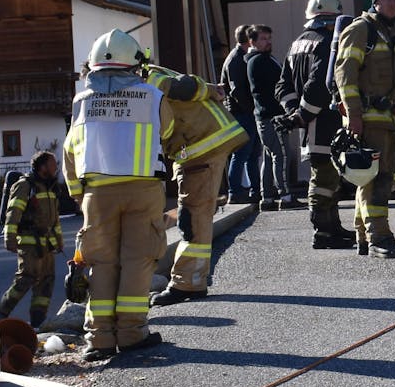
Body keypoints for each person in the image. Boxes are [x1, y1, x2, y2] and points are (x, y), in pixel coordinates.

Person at [63, 29, 175, 361]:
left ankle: (99, 339)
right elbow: (167, 131)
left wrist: (75, 192)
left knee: (100, 263)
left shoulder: (80, 101)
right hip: (143, 190)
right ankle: (131, 333)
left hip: (97, 194)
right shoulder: (152, 96)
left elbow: (71, 150)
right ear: (135, 64)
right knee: (138, 261)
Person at [147, 64, 250, 306]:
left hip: (201, 147)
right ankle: (191, 280)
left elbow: (185, 88)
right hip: (199, 145)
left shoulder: (149, 81)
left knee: (192, 218)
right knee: (193, 217)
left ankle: (188, 283)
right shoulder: (148, 77)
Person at [335, 0, 395, 258]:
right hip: (367, 120)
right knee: (376, 181)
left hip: (390, 120)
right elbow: (344, 76)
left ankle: (364, 236)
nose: (393, 3)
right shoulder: (360, 30)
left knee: (372, 179)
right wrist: (354, 115)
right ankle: (380, 237)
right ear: (376, 2)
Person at [276, 0, 354, 249]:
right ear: (333, 18)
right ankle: (323, 232)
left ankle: (333, 227)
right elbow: (319, 86)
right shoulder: (326, 43)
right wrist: (303, 114)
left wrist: (293, 113)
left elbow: (282, 85)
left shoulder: (297, 43)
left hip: (308, 124)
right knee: (323, 179)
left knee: (329, 177)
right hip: (325, 122)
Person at [0, 151, 65, 328]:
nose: (55, 167)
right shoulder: (25, 186)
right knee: (26, 278)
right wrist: (9, 238)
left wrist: (59, 240)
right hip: (28, 241)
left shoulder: (50, 188)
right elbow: (13, 213)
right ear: (42, 167)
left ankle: (38, 321)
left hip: (47, 243)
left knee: (46, 281)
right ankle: (0, 314)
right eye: (52, 164)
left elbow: (55, 218)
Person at [247, 24, 296, 211]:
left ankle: (267, 197)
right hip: (271, 116)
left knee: (269, 158)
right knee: (281, 155)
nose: (268, 42)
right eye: (263, 39)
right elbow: (276, 86)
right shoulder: (260, 61)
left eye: (269, 38)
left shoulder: (260, 59)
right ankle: (285, 195)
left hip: (264, 116)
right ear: (252, 42)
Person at [221, 24, 260, 204]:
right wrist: (252, 109)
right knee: (242, 154)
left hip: (245, 113)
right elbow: (236, 91)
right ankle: (235, 192)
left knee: (251, 154)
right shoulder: (237, 59)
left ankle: (254, 190)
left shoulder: (239, 57)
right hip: (242, 114)